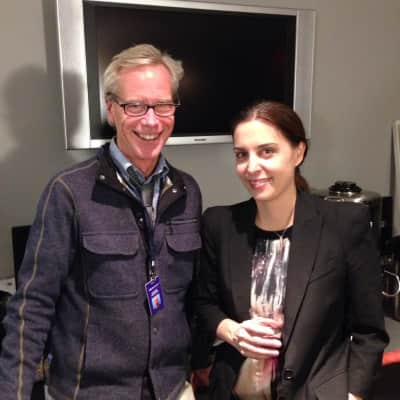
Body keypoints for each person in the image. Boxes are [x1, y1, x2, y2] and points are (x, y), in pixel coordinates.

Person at [0, 44, 202, 400]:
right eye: (135, 106)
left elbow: (192, 300)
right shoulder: (69, 192)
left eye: (163, 105)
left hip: (172, 388)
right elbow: (32, 306)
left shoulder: (187, 191)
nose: (151, 120)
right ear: (111, 108)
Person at [195, 101, 389, 400]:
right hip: (235, 391)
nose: (251, 167)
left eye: (266, 151)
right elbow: (204, 304)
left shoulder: (344, 224)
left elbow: (369, 331)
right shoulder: (219, 224)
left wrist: (354, 396)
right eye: (241, 154)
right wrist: (231, 331)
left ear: (298, 152)